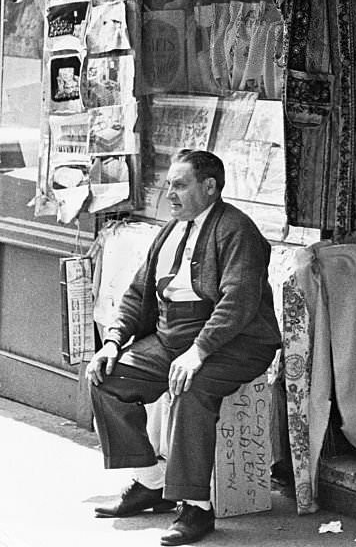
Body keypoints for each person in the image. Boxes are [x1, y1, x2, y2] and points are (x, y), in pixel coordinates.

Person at [86, 149, 281, 545]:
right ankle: (152, 482)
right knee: (106, 378)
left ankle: (196, 507)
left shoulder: (237, 230)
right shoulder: (171, 228)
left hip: (236, 342)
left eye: (180, 185)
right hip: (171, 336)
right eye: (168, 185)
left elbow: (238, 301)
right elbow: (138, 292)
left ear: (209, 187)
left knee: (192, 388)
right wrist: (112, 342)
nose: (169, 194)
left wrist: (199, 351)